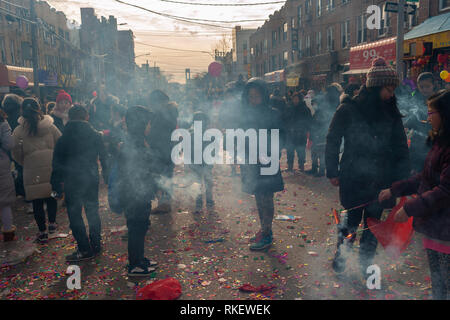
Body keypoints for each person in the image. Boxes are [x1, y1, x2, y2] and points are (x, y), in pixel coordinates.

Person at [325, 58, 410, 276]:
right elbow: (333, 140)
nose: (391, 94)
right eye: (388, 89)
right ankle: (342, 257)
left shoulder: (391, 113)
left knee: (373, 225)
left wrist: (400, 182)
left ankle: (365, 265)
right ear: (374, 87)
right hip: (353, 176)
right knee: (351, 222)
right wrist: (332, 170)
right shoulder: (348, 109)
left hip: (381, 179)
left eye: (393, 90)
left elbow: (401, 148)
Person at [379, 89, 450, 300]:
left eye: (431, 112)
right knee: (438, 284)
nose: (428, 117)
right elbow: (425, 178)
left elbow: (446, 190)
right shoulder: (440, 142)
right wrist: (395, 189)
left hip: (446, 230)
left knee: (446, 284)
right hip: (436, 228)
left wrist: (409, 208)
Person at [51, 105, 108, 261]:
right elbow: (104, 157)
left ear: (69, 117)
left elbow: (57, 163)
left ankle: (84, 248)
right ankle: (96, 244)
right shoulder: (95, 135)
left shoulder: (64, 137)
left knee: (75, 215)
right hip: (91, 177)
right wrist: (107, 176)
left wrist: (56, 185)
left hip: (72, 180)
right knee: (92, 211)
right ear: (87, 117)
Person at [238, 78, 284, 251]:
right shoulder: (246, 114)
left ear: (264, 96)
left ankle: (267, 234)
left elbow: (280, 137)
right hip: (251, 163)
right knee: (258, 196)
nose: (253, 100)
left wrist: (269, 155)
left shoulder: (273, 113)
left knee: (266, 197)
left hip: (267, 162)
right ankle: (264, 230)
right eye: (250, 96)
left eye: (256, 96)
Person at [11, 98, 61, 243]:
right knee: (51, 195)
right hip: (51, 166)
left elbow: (15, 152)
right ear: (39, 108)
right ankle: (52, 225)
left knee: (37, 201)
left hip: (32, 170)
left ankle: (42, 232)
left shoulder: (19, 131)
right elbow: (60, 141)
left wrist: (25, 162)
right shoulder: (50, 126)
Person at [117, 106, 159, 276]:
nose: (150, 126)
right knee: (136, 227)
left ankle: (139, 259)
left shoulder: (138, 140)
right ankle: (135, 264)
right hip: (134, 194)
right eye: (148, 123)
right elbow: (138, 170)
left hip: (139, 192)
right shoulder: (134, 143)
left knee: (140, 227)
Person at [147, 90, 179, 214]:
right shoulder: (169, 112)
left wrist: (148, 137)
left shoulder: (163, 114)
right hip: (167, 149)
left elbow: (156, 133)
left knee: (163, 177)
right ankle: (164, 203)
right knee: (165, 176)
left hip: (163, 149)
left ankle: (164, 204)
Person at [308, 83, 342, 177]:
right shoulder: (335, 99)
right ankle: (317, 168)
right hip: (323, 127)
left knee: (320, 150)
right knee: (319, 149)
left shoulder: (330, 100)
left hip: (323, 128)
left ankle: (320, 169)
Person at [405, 72, 435, 173]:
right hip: (417, 141)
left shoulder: (438, 100)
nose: (424, 89)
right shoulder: (415, 99)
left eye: (427, 86)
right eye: (422, 87)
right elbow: (411, 118)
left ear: (433, 86)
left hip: (433, 140)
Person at [188, 111, 214, 213]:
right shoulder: (192, 135)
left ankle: (204, 201)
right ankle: (207, 201)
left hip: (202, 162)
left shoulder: (192, 135)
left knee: (202, 181)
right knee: (203, 181)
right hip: (199, 162)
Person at [284, 91, 312, 172]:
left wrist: (305, 129)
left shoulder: (304, 108)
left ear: (300, 99)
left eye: (297, 99)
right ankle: (290, 166)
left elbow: (308, 120)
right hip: (290, 133)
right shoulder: (289, 107)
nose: (295, 100)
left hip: (300, 133)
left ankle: (301, 166)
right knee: (290, 151)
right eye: (294, 99)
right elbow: (285, 118)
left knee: (301, 151)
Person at [0, 109, 16, 241]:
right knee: (4, 201)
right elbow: (9, 144)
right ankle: (7, 231)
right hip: (1, 164)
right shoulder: (3, 124)